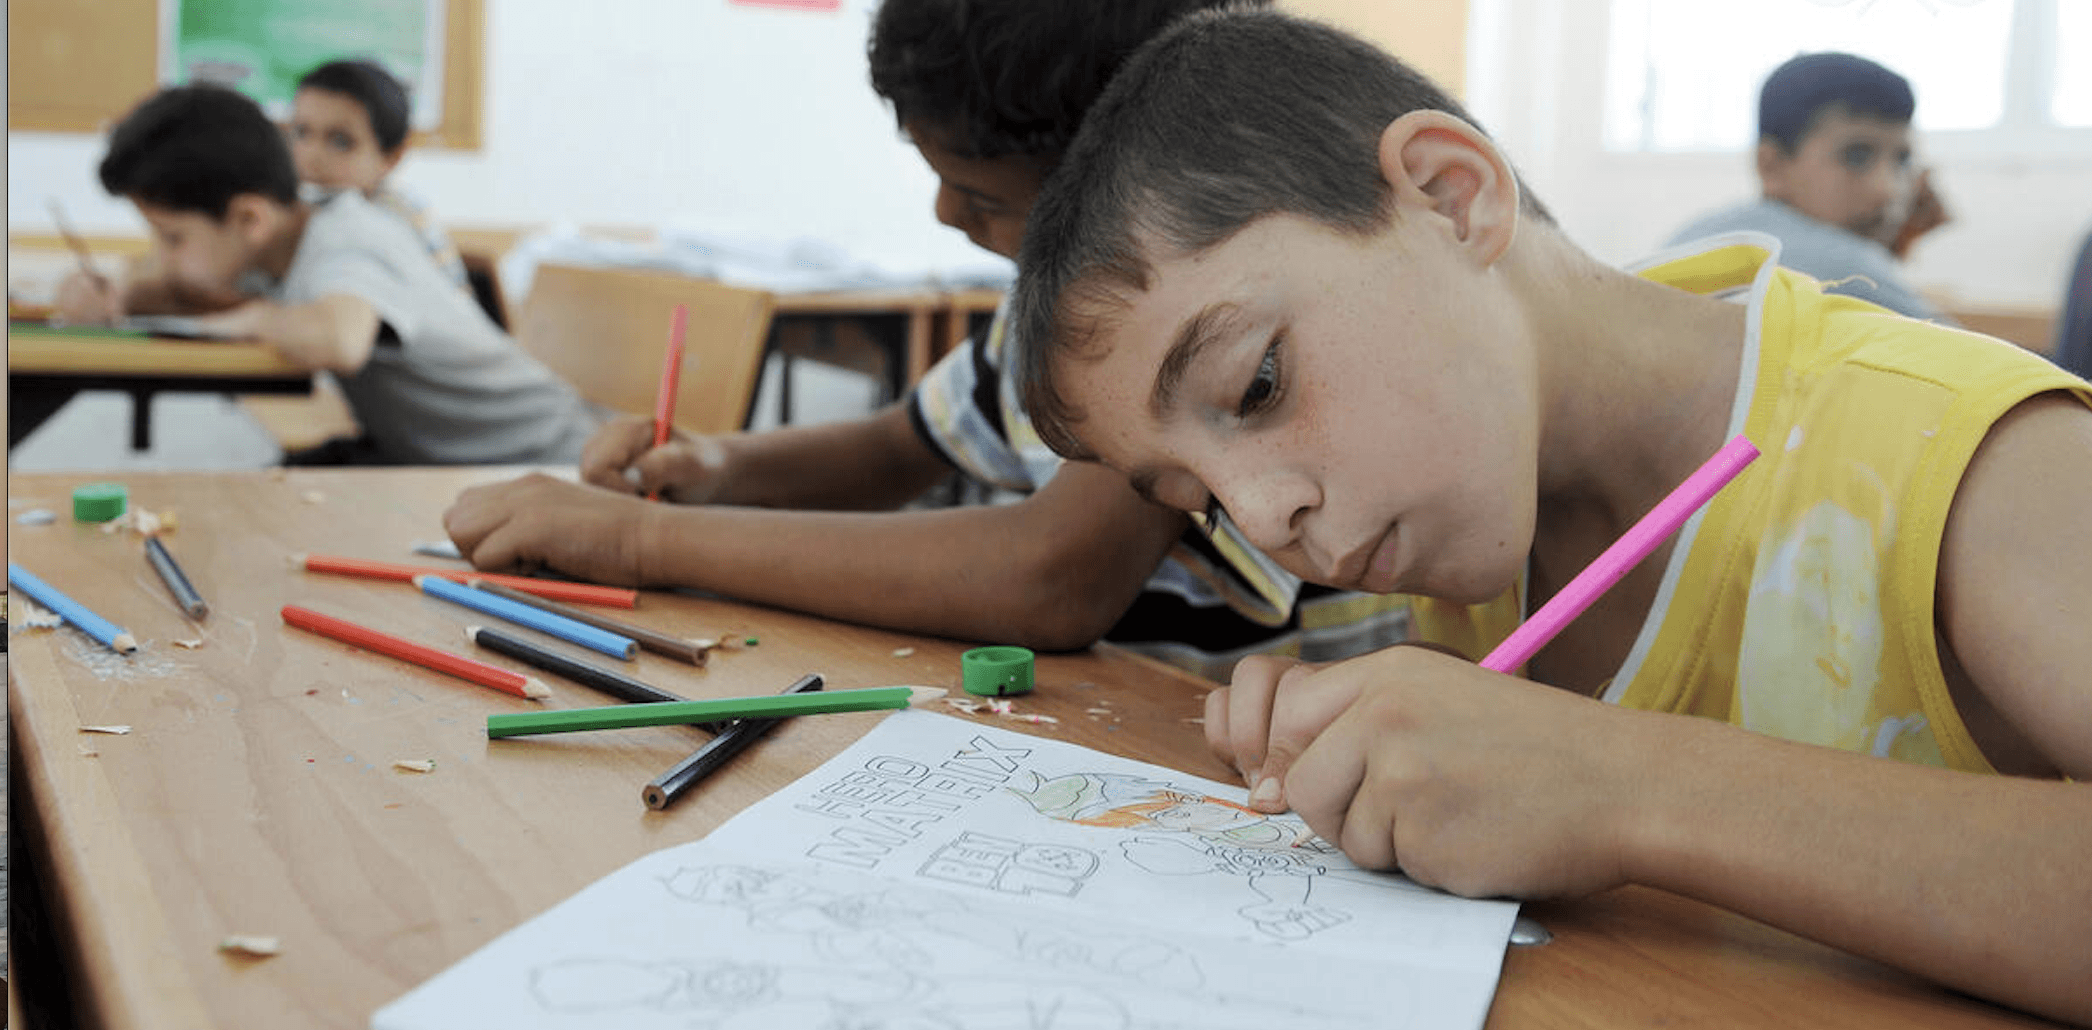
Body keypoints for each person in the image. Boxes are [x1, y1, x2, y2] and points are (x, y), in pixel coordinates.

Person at [1005, 10, 2092, 1023]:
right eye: (1199, 503)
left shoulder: (1964, 453)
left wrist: (1619, 782)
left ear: (1451, 197)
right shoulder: (1477, 503)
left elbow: (1601, 782)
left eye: (1257, 387)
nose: (1262, 515)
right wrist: (1408, 746)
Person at [442, 0, 1407, 669]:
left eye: (981, 196)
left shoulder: (1186, 336)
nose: (946, 215)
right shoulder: (1045, 310)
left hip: (1243, 759)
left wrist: (644, 541)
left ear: (1121, 175)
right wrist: (722, 467)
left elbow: (1051, 577)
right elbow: (903, 443)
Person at [76, 84, 600, 464]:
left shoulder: (348, 235)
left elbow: (341, 340)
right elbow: (192, 293)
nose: (164, 256)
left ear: (249, 219)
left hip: (547, 459)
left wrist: (255, 317)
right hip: (437, 460)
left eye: (172, 238)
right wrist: (118, 296)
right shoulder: (272, 242)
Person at [1668, 52, 1950, 321]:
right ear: (1771, 166)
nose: (1888, 190)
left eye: (1902, 160)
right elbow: (1969, 353)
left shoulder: (1694, 236)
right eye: (1856, 156)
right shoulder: (1848, 268)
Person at [291, 59, 468, 287]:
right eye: (301, 133)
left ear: (392, 157)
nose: (311, 156)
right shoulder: (296, 208)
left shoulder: (399, 221)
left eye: (341, 141)